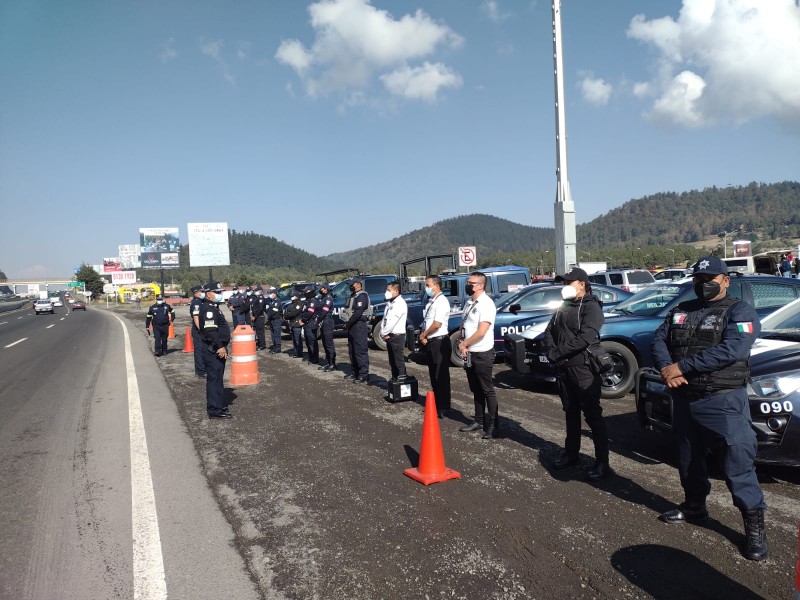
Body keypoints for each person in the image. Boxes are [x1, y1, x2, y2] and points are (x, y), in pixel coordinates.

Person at [651, 256, 767, 561]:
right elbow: (659, 338)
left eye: (710, 278)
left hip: (723, 400)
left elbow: (733, 349)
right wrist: (666, 367)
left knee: (737, 464)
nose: (703, 284)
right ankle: (695, 507)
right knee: (688, 460)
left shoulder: (740, 311)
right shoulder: (681, 310)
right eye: (699, 279)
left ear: (726, 280)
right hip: (685, 399)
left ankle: (754, 528)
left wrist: (682, 368)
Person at [543, 267, 610, 478]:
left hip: (583, 368)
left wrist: (558, 353)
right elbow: (549, 330)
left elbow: (586, 337)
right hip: (563, 367)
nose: (565, 286)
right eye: (564, 283)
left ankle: (602, 462)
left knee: (592, 415)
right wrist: (552, 351)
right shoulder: (564, 305)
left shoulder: (592, 307)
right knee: (570, 412)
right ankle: (571, 454)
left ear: (582, 284)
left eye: (569, 282)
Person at [457, 272, 499, 438]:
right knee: (475, 389)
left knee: (487, 389)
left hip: (482, 352)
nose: (468, 285)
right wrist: (462, 342)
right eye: (468, 282)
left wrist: (466, 343)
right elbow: (464, 323)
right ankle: (479, 420)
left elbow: (482, 331)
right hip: (469, 352)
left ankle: (494, 424)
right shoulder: (469, 302)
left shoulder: (486, 304)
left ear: (481, 285)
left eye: (471, 283)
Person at [199, 283, 233, 419]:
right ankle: (214, 410)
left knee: (218, 379)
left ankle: (218, 405)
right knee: (214, 379)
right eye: (216, 292)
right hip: (213, 349)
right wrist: (220, 346)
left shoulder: (214, 308)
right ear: (208, 294)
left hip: (216, 348)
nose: (220, 294)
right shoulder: (208, 309)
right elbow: (210, 331)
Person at [418, 275, 451, 417]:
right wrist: (424, 336)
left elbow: (437, 324)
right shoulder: (432, 300)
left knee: (441, 375)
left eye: (428, 285)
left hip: (440, 341)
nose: (426, 288)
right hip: (431, 341)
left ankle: (444, 406)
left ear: (436, 286)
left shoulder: (442, 301)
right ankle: (436, 403)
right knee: (433, 375)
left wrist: (424, 334)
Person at [344, 279, 370, 383]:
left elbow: (358, 313)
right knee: (352, 351)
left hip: (359, 326)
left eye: (352, 284)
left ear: (358, 285)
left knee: (360, 351)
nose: (350, 287)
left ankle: (363, 374)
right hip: (352, 327)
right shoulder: (353, 296)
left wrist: (348, 323)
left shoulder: (362, 296)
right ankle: (355, 372)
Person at [381, 281, 408, 382]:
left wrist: (384, 333)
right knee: (392, 362)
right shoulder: (390, 302)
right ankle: (395, 383)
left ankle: (402, 384)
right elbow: (385, 319)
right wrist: (383, 332)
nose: (386, 292)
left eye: (389, 290)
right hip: (389, 336)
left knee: (398, 362)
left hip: (397, 337)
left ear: (396, 291)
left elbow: (392, 322)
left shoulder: (400, 303)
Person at [316, 283, 337, 371]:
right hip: (323, 322)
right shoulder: (323, 298)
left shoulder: (328, 298)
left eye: (322, 289)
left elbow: (324, 310)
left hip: (327, 321)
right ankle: (328, 362)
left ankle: (332, 364)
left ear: (326, 289)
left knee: (329, 344)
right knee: (324, 343)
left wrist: (318, 320)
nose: (321, 290)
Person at [299, 285, 321, 364]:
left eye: (306, 291)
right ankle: (311, 357)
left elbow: (310, 312)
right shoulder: (307, 301)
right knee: (308, 341)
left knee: (312, 341)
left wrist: (303, 320)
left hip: (311, 323)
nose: (304, 293)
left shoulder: (313, 301)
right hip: (307, 324)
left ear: (311, 292)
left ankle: (315, 358)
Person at [189, 284, 207, 377]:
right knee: (199, 350)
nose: (203, 293)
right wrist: (201, 330)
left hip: (202, 329)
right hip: (198, 331)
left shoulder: (201, 301)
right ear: (196, 293)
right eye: (202, 292)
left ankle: (203, 368)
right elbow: (196, 318)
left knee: (204, 349)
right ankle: (200, 371)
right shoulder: (196, 303)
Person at [283, 293, 304, 358]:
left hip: (296, 323)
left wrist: (286, 316)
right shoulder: (291, 304)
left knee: (297, 339)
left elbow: (293, 313)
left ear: (297, 296)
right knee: (294, 339)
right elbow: (286, 312)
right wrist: (286, 316)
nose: (292, 297)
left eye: (293, 296)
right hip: (292, 323)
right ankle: (296, 352)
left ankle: (299, 353)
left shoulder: (299, 304)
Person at [265, 287, 283, 353]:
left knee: (276, 334)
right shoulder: (272, 301)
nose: (270, 295)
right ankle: (275, 346)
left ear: (275, 294)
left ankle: (278, 348)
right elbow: (267, 309)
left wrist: (269, 314)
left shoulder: (277, 301)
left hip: (277, 320)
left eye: (271, 293)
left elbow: (275, 310)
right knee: (272, 334)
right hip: (272, 319)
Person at [250, 286, 267, 350]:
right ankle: (260, 344)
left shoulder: (261, 298)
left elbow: (260, 308)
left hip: (259, 317)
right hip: (257, 317)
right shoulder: (257, 298)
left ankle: (262, 345)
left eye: (257, 290)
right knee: (257, 332)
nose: (255, 292)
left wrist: (255, 316)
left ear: (260, 291)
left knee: (260, 332)